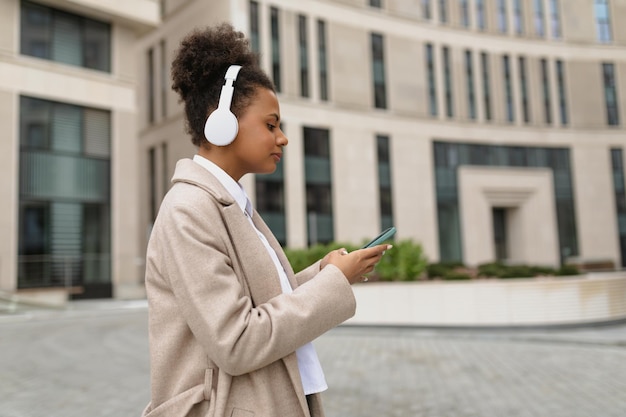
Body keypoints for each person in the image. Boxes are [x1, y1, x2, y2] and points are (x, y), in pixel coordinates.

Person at [142, 23, 392, 417]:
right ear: (220, 122)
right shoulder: (188, 210)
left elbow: (261, 304)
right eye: (271, 125)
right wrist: (335, 283)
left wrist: (324, 273)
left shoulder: (233, 206)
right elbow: (238, 340)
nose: (283, 138)